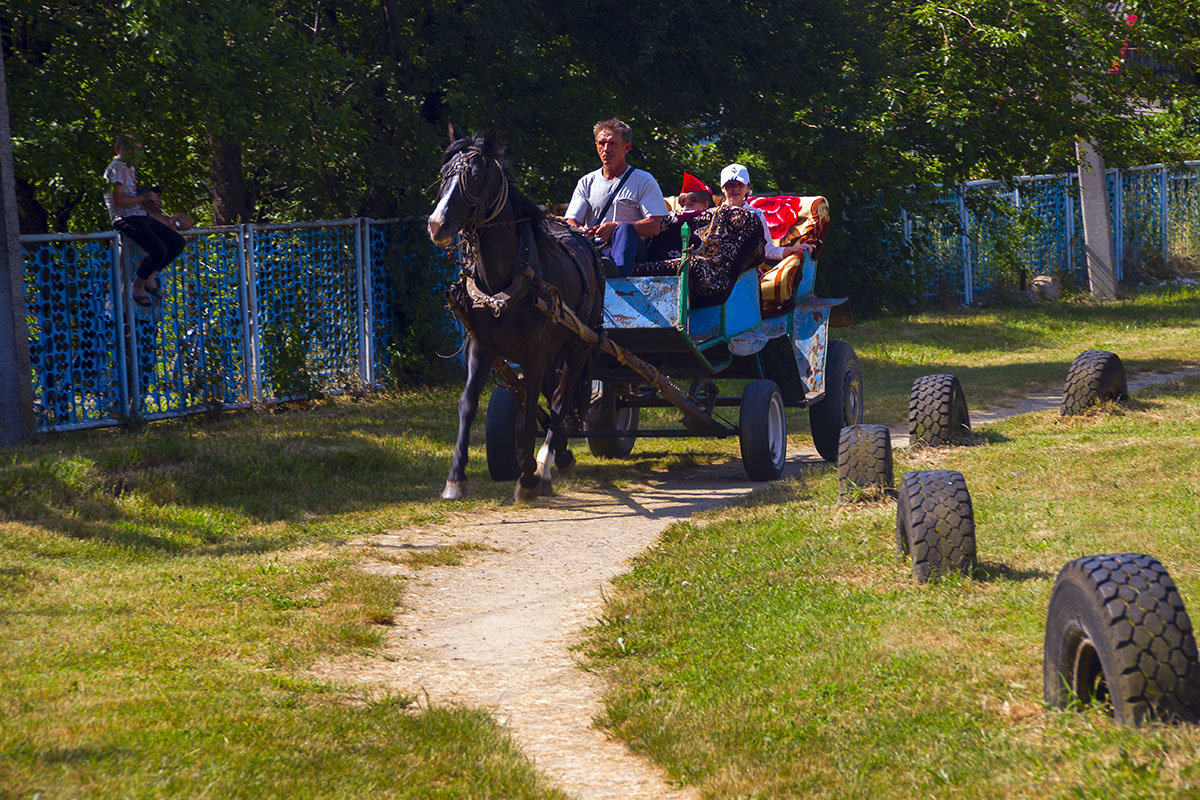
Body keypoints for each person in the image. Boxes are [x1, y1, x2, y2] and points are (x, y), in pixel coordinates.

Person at [564, 119, 669, 276]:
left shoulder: (644, 180)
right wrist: (581, 230)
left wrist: (616, 227)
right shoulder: (587, 182)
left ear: (626, 148)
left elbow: (654, 226)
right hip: (596, 248)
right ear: (596, 146)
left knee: (625, 229)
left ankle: (617, 275)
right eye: (602, 143)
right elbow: (571, 220)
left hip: (632, 253)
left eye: (613, 143)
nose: (606, 149)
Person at [103, 134, 187, 308]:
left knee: (177, 243)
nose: (135, 154)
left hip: (140, 215)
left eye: (138, 151)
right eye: (131, 150)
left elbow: (133, 197)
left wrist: (149, 203)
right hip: (125, 218)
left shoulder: (129, 168)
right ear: (118, 150)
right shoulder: (117, 168)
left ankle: (149, 276)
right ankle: (138, 286)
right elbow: (119, 201)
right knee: (158, 250)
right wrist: (144, 197)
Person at [718, 163, 812, 264]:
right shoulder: (714, 215)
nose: (735, 189)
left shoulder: (756, 215)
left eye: (740, 185)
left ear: (748, 188)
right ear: (723, 188)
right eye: (730, 185)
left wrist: (792, 250)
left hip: (746, 273)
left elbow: (768, 250)